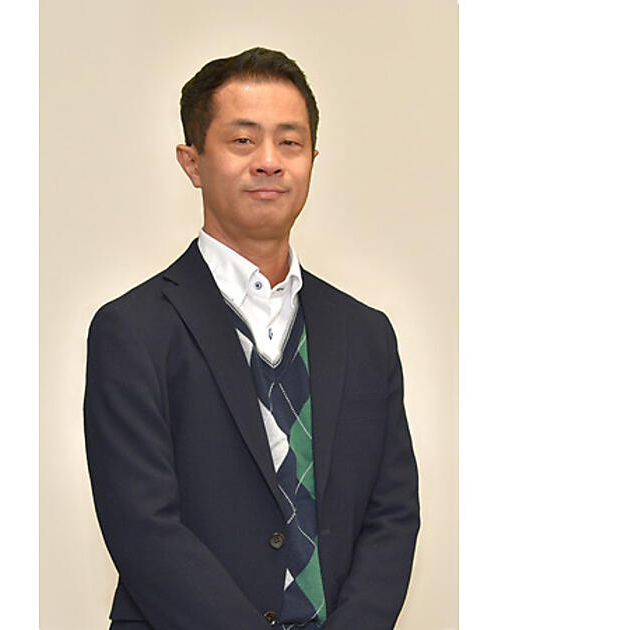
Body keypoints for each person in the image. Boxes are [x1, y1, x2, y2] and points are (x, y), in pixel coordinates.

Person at [84, 47, 419, 630]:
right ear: (193, 162)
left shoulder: (367, 334)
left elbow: (391, 517)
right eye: (243, 140)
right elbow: (143, 528)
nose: (269, 162)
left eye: (289, 142)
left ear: (312, 159)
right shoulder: (132, 330)